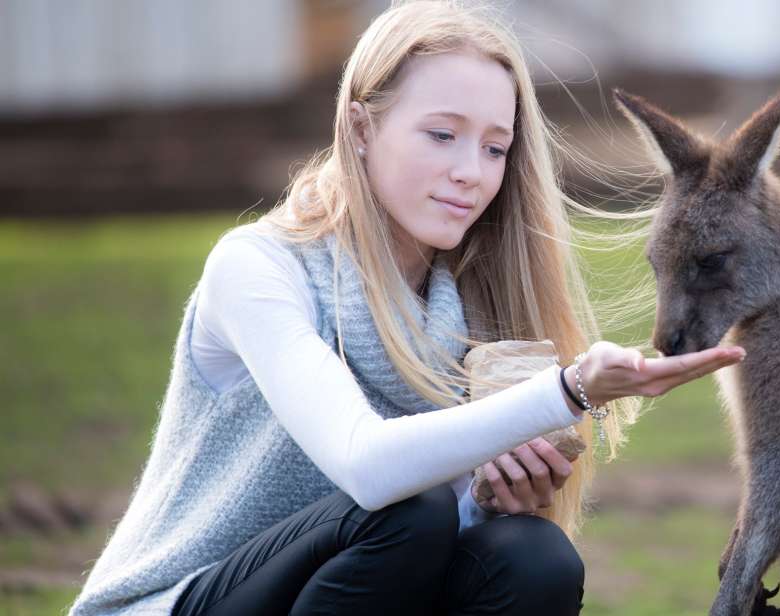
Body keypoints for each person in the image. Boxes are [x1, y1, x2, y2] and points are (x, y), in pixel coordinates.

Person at [68, 2, 745, 615]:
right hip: (180, 602)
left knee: (532, 559)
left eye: (494, 147)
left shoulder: (472, 310)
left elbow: (399, 556)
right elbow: (369, 468)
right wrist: (567, 390)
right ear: (360, 127)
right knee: (405, 510)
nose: (470, 172)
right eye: (441, 135)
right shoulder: (258, 267)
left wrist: (483, 503)